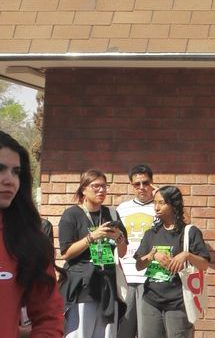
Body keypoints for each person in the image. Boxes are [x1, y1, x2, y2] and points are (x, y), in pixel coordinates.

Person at [0, 131, 63, 338]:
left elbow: (49, 318)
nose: (10, 180)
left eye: (16, 172)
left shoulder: (27, 242)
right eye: (0, 169)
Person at [58, 171, 129, 338]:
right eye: (96, 186)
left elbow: (123, 252)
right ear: (83, 189)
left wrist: (119, 238)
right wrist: (92, 237)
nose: (101, 190)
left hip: (107, 286)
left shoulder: (112, 214)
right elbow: (66, 253)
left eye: (104, 186)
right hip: (83, 287)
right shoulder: (72, 214)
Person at [134, 186, 210, 338]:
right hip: (151, 300)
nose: (156, 207)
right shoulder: (151, 233)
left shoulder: (189, 232)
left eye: (161, 203)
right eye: (155, 202)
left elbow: (204, 264)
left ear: (173, 205)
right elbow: (139, 265)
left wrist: (186, 255)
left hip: (178, 302)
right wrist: (152, 256)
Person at [116, 165, 156, 338]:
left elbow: (185, 222)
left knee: (147, 332)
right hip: (126, 277)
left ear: (152, 183)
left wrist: (162, 196)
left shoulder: (160, 207)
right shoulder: (122, 209)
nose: (141, 187)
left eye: (145, 183)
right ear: (132, 185)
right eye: (136, 184)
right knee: (123, 331)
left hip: (151, 277)